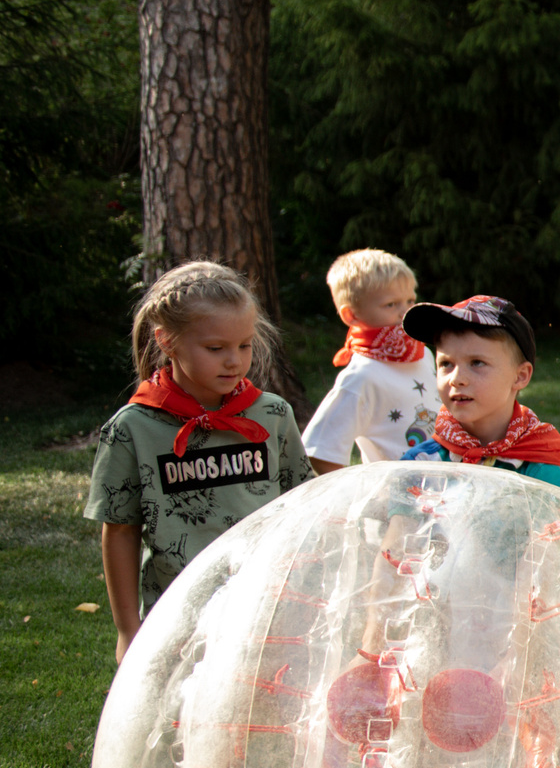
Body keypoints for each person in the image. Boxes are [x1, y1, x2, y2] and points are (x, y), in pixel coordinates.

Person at [86, 262, 315, 662]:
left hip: (264, 610)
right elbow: (120, 531)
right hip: (176, 621)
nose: (234, 361)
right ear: (167, 341)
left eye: (244, 345)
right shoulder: (132, 429)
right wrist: (127, 629)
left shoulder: (273, 415)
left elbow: (304, 508)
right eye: (216, 348)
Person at [398, 296, 560, 488]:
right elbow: (401, 518)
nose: (456, 379)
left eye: (477, 363)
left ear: (520, 376)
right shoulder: (419, 465)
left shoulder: (541, 467)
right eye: (446, 364)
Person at [302, 248, 437, 473]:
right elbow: (321, 452)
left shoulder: (424, 355)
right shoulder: (360, 377)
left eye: (410, 300)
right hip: (398, 500)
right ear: (351, 315)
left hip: (446, 490)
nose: (405, 312)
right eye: (391, 304)